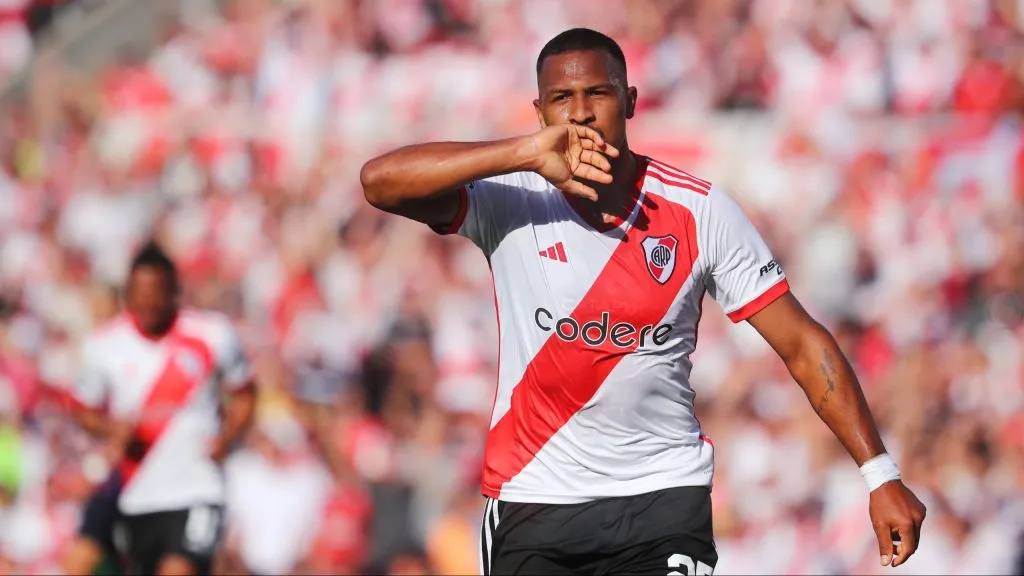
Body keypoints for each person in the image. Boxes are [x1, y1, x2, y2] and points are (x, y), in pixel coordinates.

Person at [361, 27, 927, 575]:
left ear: (629, 101)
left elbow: (802, 344)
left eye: (597, 94)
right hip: (532, 498)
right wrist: (523, 152)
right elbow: (379, 181)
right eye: (561, 99)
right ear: (539, 112)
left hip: (661, 499)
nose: (580, 113)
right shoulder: (511, 200)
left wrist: (880, 474)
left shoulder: (699, 212)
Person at [69, 242, 257, 575]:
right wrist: (110, 429)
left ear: (174, 292)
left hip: (196, 487)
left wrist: (227, 438)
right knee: (81, 562)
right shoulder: (104, 347)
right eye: (140, 292)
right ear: (128, 294)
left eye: (157, 291)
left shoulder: (211, 335)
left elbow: (244, 393)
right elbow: (83, 408)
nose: (149, 301)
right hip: (136, 488)